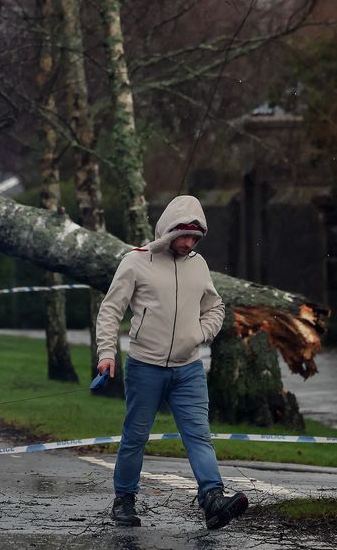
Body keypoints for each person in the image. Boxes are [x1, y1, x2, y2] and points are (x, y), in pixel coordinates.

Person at [95, 194, 248, 530]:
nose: (189, 243)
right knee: (135, 436)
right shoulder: (136, 261)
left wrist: (200, 334)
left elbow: (215, 307)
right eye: (184, 236)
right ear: (169, 229)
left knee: (199, 435)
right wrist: (107, 353)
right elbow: (110, 309)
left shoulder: (199, 264)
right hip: (144, 366)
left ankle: (213, 500)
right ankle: (124, 501)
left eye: (195, 238)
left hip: (188, 369)